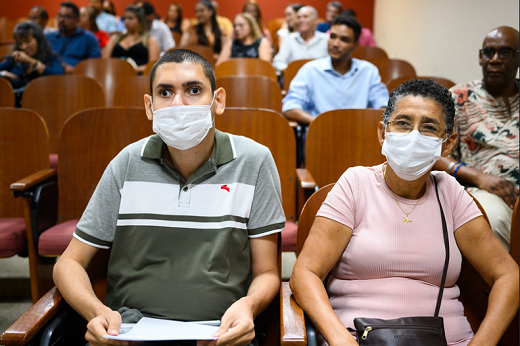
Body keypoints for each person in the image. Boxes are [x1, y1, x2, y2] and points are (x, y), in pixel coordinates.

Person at [53, 48, 284, 346]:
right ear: (150, 106)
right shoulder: (127, 162)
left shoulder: (255, 161)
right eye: (165, 92)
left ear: (219, 101)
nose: (178, 103)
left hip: (220, 333)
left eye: (193, 90)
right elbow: (68, 263)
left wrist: (248, 307)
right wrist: (96, 312)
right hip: (128, 334)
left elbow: (266, 271)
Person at [290, 78, 519, 346]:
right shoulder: (355, 183)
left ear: (447, 144)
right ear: (382, 133)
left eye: (429, 127)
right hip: (357, 339)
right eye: (403, 123)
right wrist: (341, 340)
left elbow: (508, 276)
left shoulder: (451, 192)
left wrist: (482, 344)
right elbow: (305, 274)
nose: (413, 135)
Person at [433, 26, 519, 251]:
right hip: (483, 191)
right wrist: (479, 177)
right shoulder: (459, 97)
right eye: (488, 52)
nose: (495, 60)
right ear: (480, 58)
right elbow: (432, 152)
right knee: (494, 218)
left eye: (505, 53)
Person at [282, 15, 388, 125]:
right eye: (332, 37)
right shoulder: (310, 70)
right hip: (320, 134)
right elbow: (290, 107)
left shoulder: (368, 71)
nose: (335, 44)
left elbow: (383, 105)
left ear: (355, 45)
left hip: (359, 134)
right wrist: (319, 122)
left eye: (344, 40)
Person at [0, 21, 63, 93]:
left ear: (39, 40)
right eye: (20, 43)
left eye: (27, 41)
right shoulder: (15, 59)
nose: (23, 47)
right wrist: (3, 74)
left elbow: (59, 76)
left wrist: (30, 61)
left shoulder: (51, 57)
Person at [46, 2, 101, 74]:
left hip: (76, 80)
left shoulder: (88, 39)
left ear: (77, 20)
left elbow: (95, 67)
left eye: (67, 17)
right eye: (59, 16)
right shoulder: (48, 37)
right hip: (48, 78)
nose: (61, 20)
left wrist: (75, 71)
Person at [103, 4, 160, 73]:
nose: (126, 21)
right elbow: (104, 62)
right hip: (115, 74)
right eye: (125, 18)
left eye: (130, 18)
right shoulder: (115, 38)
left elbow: (153, 66)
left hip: (139, 77)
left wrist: (132, 69)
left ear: (140, 21)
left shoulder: (150, 40)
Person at [272, 6, 328, 72]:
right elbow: (278, 62)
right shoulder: (290, 39)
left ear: (315, 20)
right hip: (295, 78)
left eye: (305, 16)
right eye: (298, 17)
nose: (301, 20)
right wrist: (289, 71)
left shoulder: (325, 39)